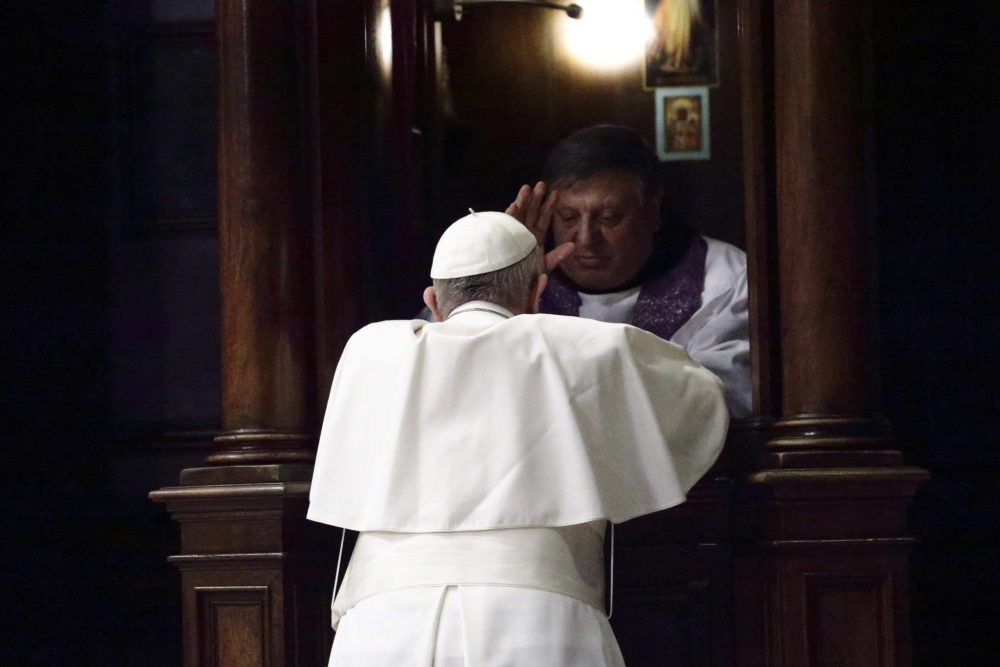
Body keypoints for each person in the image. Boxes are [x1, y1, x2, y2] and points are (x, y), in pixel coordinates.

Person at [308, 210, 729, 666]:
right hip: (537, 614)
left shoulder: (371, 349)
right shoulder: (584, 347)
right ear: (539, 292)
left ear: (432, 300)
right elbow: (701, 397)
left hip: (381, 623)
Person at [506, 124, 751, 417]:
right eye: (568, 217)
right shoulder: (516, 278)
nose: (585, 238)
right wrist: (507, 287)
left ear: (653, 210)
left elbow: (717, 401)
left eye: (609, 218)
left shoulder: (723, 278)